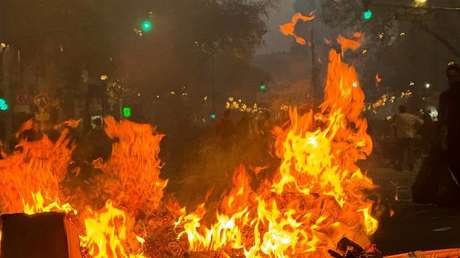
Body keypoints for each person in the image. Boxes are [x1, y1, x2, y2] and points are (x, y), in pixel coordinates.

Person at [439, 63, 460, 182]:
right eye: (450, 77)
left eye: (455, 76)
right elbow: (443, 118)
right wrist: (442, 139)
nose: (453, 80)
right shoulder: (445, 96)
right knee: (453, 164)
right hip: (452, 136)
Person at [393, 105, 424, 171]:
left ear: (400, 110)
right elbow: (421, 122)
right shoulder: (411, 116)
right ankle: (411, 165)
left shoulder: (399, 116)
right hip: (410, 136)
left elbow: (395, 126)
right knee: (410, 152)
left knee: (401, 152)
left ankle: (400, 166)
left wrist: (395, 135)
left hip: (401, 136)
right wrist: (416, 130)